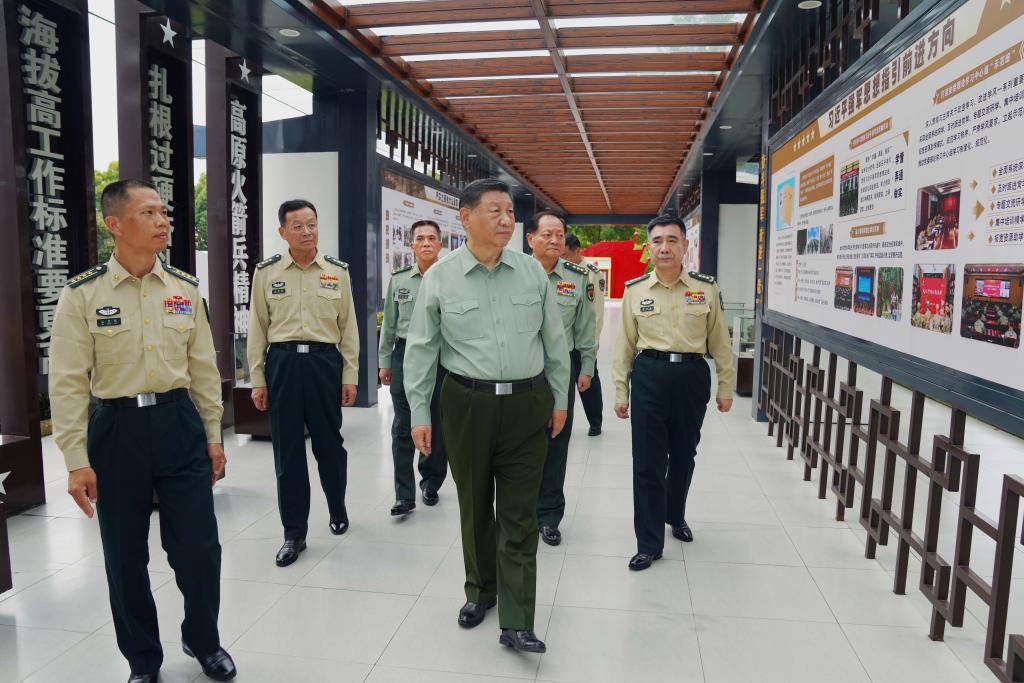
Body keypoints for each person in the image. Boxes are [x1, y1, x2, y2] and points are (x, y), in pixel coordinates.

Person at [50, 179, 236, 683]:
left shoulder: (183, 288)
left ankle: (203, 640)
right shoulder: (82, 294)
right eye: (149, 213)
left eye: (164, 212)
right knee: (124, 555)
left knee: (199, 549)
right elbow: (66, 382)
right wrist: (75, 460)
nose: (163, 222)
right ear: (115, 224)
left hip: (179, 423)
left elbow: (203, 368)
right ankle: (142, 660)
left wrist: (213, 436)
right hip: (116, 429)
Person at [403, 178, 570, 654]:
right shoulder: (441, 276)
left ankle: (518, 619)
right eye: (494, 210)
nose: (505, 220)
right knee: (474, 504)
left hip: (527, 402)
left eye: (510, 213)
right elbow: (420, 350)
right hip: (467, 403)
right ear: (465, 217)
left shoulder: (532, 272)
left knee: (519, 512)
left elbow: (554, 342)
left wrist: (559, 399)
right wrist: (420, 411)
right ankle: (481, 591)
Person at [612, 215, 735, 571]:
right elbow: (623, 346)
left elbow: (721, 342)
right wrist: (621, 391)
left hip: (692, 375)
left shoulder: (705, 289)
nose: (664, 247)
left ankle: (674, 514)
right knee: (647, 461)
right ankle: (648, 542)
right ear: (648, 248)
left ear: (685, 245)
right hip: (649, 373)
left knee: (684, 454)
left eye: (672, 240)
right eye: (657, 241)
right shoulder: (635, 291)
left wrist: (726, 385)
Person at [247, 199, 359, 567]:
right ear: (283, 232)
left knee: (331, 445)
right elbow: (257, 330)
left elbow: (349, 329)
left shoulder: (337, 271)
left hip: (325, 364)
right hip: (282, 364)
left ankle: (337, 506)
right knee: (288, 453)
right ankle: (294, 533)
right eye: (298, 226)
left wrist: (349, 374)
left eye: (312, 224)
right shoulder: (267, 273)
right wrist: (258, 380)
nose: (307, 231)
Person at [527, 213, 595, 547]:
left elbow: (585, 325)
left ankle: (549, 514)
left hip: (560, 369)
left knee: (556, 439)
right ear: (530, 239)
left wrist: (587, 366)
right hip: (518, 368)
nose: (554, 241)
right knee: (520, 442)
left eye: (560, 235)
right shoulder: (511, 272)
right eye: (547, 234)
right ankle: (520, 510)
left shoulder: (578, 277)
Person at [378, 219, 449, 516]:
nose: (427, 243)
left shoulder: (450, 277)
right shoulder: (400, 279)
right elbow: (389, 324)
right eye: (420, 238)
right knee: (402, 427)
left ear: (440, 244)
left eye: (432, 238)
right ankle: (404, 494)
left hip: (442, 357)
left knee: (436, 422)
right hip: (405, 355)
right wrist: (384, 361)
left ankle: (430, 482)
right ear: (412, 245)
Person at [563, 232, 606, 436]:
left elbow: (596, 311)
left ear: (576, 250)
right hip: (563, 341)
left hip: (583, 341)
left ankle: (595, 421)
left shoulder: (591, 273)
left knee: (588, 382)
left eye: (565, 254)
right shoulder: (558, 270)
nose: (561, 259)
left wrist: (593, 342)